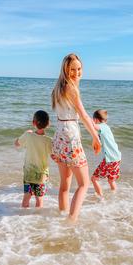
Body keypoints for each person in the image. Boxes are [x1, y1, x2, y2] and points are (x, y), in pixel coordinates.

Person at [51, 53, 101, 222]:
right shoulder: (71, 88)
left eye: (79, 69)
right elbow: (84, 115)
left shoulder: (57, 88)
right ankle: (71, 221)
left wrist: (91, 126)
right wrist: (95, 137)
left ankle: (62, 216)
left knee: (65, 184)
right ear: (66, 70)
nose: (76, 72)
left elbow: (66, 114)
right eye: (72, 69)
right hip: (70, 139)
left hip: (59, 137)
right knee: (84, 184)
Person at [14, 110, 52, 208]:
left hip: (29, 173)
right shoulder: (49, 141)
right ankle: (37, 218)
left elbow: (17, 143)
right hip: (42, 175)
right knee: (39, 199)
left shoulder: (28, 135)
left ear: (33, 123)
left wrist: (25, 133)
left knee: (26, 197)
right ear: (48, 124)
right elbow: (54, 156)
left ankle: (23, 217)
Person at [91, 109, 122, 196]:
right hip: (117, 158)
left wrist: (85, 117)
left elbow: (94, 126)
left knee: (94, 179)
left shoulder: (102, 126)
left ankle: (100, 197)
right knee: (111, 180)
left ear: (96, 120)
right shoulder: (106, 128)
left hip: (110, 159)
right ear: (106, 120)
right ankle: (114, 196)